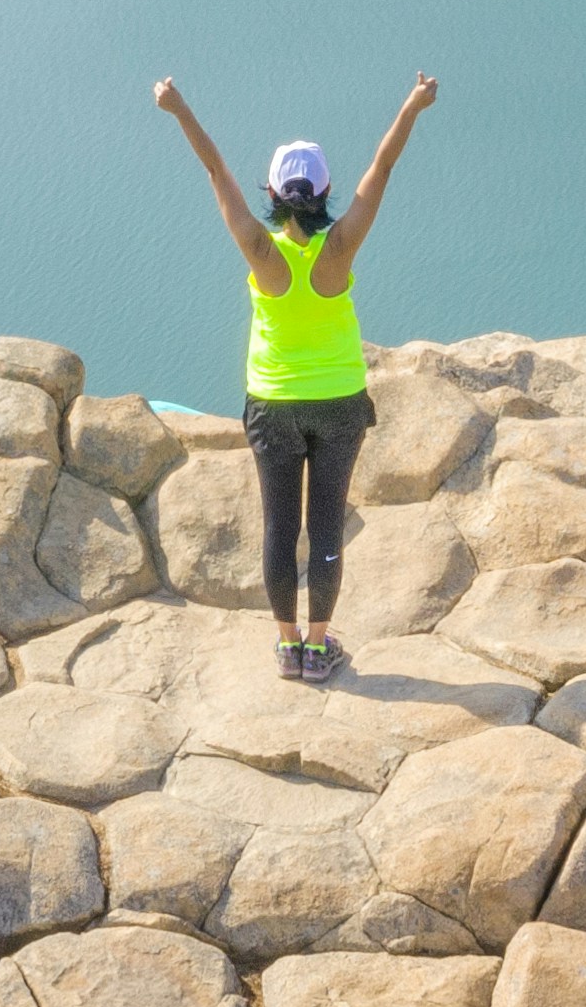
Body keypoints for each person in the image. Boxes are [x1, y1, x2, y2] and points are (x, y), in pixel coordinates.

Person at [154, 72, 435, 682]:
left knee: (281, 527)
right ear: (327, 189)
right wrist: (411, 105)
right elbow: (382, 168)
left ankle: (286, 648)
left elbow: (215, 170)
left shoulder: (259, 248)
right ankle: (318, 646)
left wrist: (179, 108)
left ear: (274, 192)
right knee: (326, 523)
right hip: (338, 402)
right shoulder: (342, 247)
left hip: (274, 403)